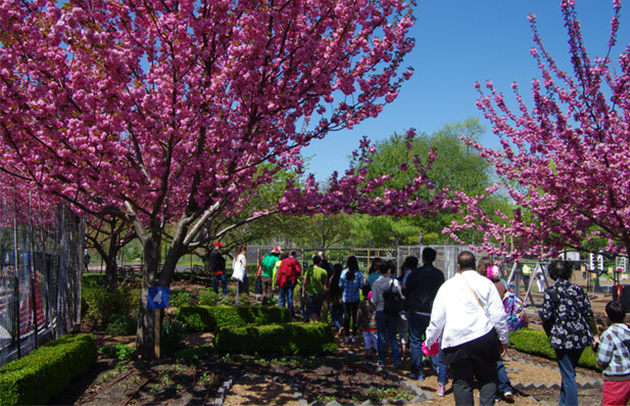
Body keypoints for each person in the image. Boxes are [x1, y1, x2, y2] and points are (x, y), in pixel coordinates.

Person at [425, 251, 508, 406]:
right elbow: (498, 315)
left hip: (457, 341)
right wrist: (503, 338)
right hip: (483, 337)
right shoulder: (486, 284)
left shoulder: (447, 286)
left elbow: (437, 319)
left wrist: (430, 340)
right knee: (488, 377)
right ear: (475, 265)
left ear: (458, 266)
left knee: (462, 382)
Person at [539, 260, 598, 406]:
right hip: (581, 336)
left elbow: (545, 315)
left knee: (568, 375)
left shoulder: (552, 292)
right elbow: (588, 313)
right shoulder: (578, 290)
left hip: (562, 337)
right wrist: (595, 334)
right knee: (568, 373)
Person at [404, 248, 447, 396]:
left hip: (417, 311)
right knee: (433, 340)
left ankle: (418, 371)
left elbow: (407, 289)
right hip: (433, 312)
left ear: (423, 258)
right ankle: (438, 369)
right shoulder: (440, 274)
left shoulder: (416, 273)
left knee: (415, 340)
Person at [478, 257, 514, 401]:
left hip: (484, 324)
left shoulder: (482, 284)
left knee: (484, 361)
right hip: (499, 323)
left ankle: (488, 389)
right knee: (497, 359)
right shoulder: (502, 283)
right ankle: (505, 388)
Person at [597, 301, 630, 406]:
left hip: (614, 379)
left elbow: (603, 359)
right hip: (627, 377)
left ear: (607, 315)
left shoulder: (608, 335)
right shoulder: (628, 331)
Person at [371, 259, 403, 367]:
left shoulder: (376, 283)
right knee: (393, 336)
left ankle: (381, 360)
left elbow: (374, 300)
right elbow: (401, 297)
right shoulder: (395, 282)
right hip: (392, 311)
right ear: (389, 271)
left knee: (381, 336)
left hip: (380, 310)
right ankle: (396, 360)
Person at [339, 256, 364, 343]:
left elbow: (340, 285)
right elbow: (361, 286)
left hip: (346, 298)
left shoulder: (344, 273)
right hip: (355, 298)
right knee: (354, 317)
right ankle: (354, 335)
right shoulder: (359, 273)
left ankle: (347, 336)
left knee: (346, 317)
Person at [275, 250, 301, 320]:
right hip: (290, 282)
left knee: (281, 299)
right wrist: (294, 279)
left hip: (282, 282)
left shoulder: (284, 261)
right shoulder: (295, 262)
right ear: (294, 255)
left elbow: (279, 273)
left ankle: (281, 314)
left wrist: (277, 282)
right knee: (290, 299)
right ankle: (291, 315)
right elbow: (298, 271)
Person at [302, 254, 329, 322]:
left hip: (311, 293)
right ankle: (317, 323)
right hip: (320, 293)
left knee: (310, 310)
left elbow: (304, 283)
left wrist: (303, 293)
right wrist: (325, 292)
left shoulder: (308, 271)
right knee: (318, 310)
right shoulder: (323, 271)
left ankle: (316, 322)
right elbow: (325, 284)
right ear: (320, 262)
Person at [357, 285, 377, 360]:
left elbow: (359, 314)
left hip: (365, 325)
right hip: (374, 325)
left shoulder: (362, 304)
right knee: (375, 339)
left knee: (367, 339)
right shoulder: (374, 303)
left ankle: (368, 353)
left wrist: (358, 323)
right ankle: (377, 353)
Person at [327, 263, 345, 336]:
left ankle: (339, 327)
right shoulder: (342, 278)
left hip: (333, 299)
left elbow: (330, 289)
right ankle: (339, 330)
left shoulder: (332, 278)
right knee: (340, 315)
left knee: (333, 316)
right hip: (341, 299)